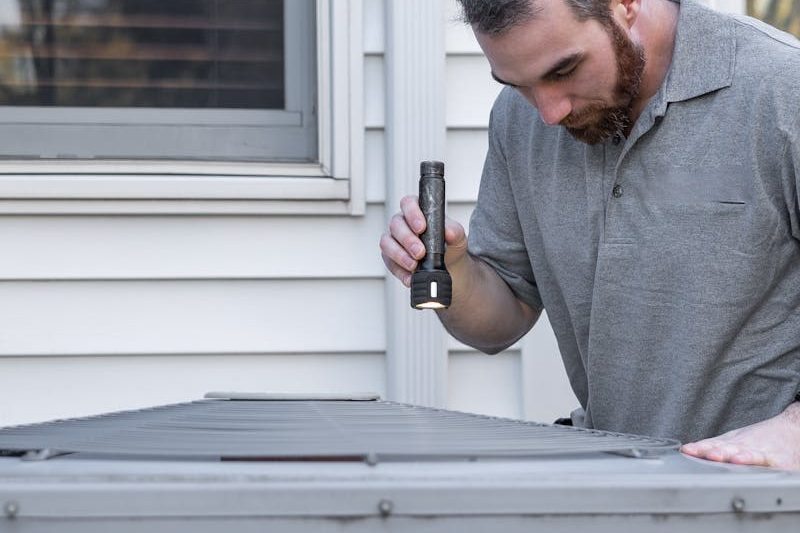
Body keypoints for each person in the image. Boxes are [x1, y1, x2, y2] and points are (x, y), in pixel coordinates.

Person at [380, 0, 800, 470]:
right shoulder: (520, 122)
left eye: (564, 70)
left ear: (625, 5)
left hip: (764, 494)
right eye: (519, 86)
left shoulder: (783, 89)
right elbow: (503, 316)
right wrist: (453, 270)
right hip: (615, 479)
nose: (549, 113)